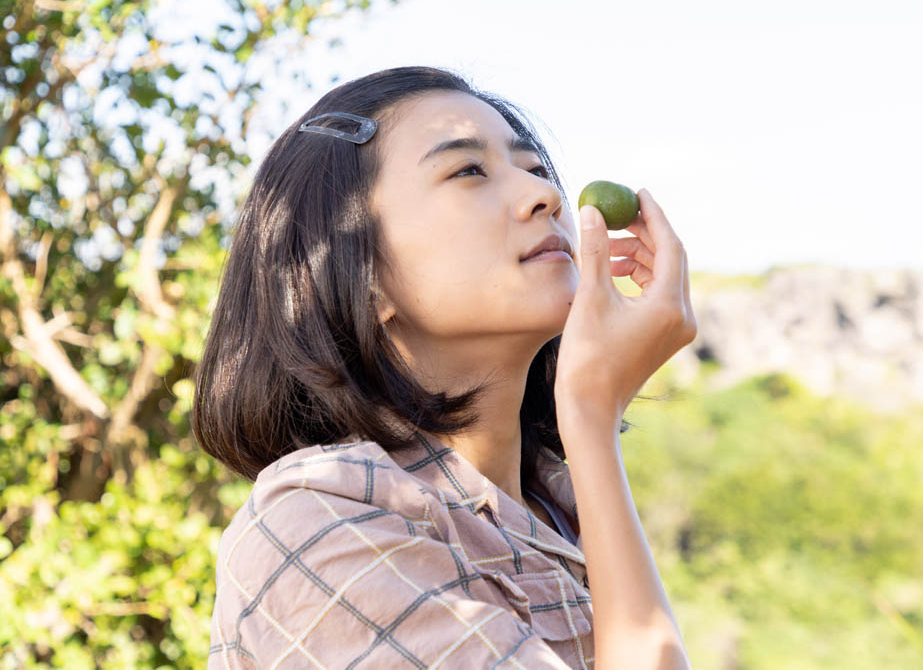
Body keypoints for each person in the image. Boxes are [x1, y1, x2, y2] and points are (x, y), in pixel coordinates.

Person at [192, 66, 697, 669]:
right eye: (468, 171)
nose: (547, 196)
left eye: (535, 169)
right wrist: (590, 415)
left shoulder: (564, 510)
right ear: (360, 275)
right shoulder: (318, 526)